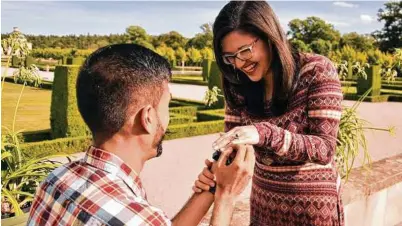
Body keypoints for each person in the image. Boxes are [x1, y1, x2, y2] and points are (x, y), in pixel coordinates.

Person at [27, 43, 255, 226]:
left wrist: (211, 188)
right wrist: (226, 196)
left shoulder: (56, 179)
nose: (168, 118)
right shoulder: (137, 218)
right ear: (147, 118)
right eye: (167, 106)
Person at [193, 1, 344, 225]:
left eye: (244, 51)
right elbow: (233, 142)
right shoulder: (237, 83)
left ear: (270, 37)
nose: (239, 63)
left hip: (313, 209)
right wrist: (216, 170)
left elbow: (325, 149)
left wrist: (263, 132)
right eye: (230, 56)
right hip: (264, 206)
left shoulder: (316, 70)